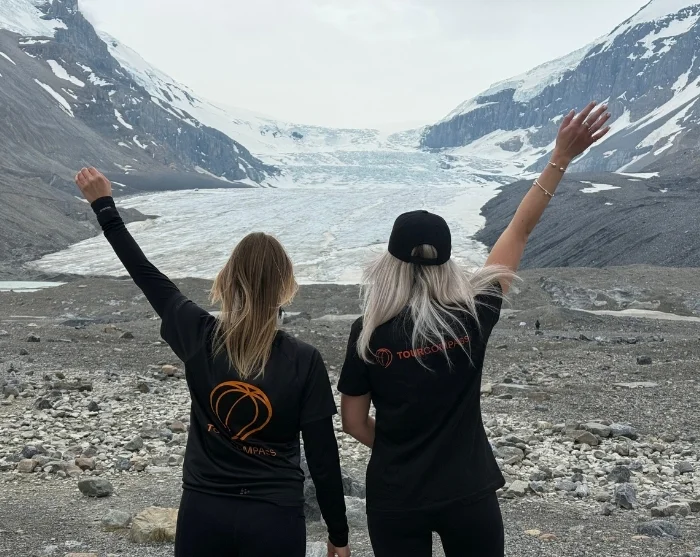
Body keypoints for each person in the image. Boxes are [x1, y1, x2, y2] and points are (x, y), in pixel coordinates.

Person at [337, 101, 611, 557]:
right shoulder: (472, 313)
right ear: (448, 263)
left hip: (395, 494)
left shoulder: (367, 332)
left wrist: (399, 448)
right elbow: (519, 231)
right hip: (467, 489)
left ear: (389, 263)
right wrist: (560, 158)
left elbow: (352, 421)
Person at [73, 168, 351, 557]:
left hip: (204, 511)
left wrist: (104, 206)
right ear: (286, 286)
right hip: (274, 517)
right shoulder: (304, 360)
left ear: (228, 279)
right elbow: (322, 458)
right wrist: (338, 534)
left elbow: (145, 275)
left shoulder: (199, 335)